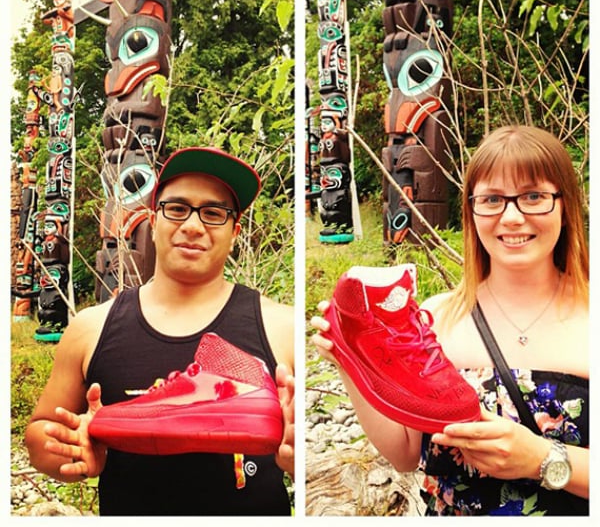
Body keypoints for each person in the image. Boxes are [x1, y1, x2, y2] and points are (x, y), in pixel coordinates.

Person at [311, 125, 588, 515]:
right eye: (492, 199)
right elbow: (405, 453)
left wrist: (541, 459)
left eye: (533, 196)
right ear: (472, 210)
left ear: (565, 205)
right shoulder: (437, 319)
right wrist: (349, 358)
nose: (511, 217)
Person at [25, 146, 295, 516]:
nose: (193, 226)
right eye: (177, 208)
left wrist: (299, 457)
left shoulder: (282, 327)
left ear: (234, 233)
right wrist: (72, 448)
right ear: (153, 221)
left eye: (213, 213)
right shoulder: (90, 328)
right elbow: (40, 433)